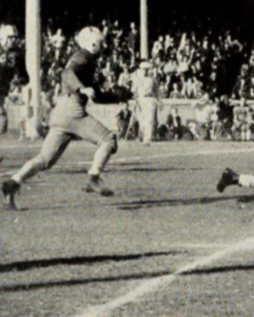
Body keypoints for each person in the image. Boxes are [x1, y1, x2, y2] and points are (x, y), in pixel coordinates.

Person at [3, 27, 121, 209]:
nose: (103, 46)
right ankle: (94, 178)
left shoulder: (87, 61)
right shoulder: (83, 56)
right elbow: (66, 74)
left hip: (61, 111)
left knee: (44, 160)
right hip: (72, 109)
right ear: (94, 43)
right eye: (101, 42)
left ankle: (13, 183)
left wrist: (119, 97)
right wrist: (81, 89)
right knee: (108, 140)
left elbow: (97, 96)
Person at [0, 25, 27, 137]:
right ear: (3, 37)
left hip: (2, 90)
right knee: (1, 118)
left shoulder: (17, 54)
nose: (14, 40)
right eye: (11, 37)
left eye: (15, 37)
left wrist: (17, 81)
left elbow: (25, 77)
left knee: (2, 124)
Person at [131, 61, 159, 144]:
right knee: (141, 119)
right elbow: (134, 91)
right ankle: (142, 135)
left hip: (150, 99)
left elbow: (156, 91)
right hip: (141, 99)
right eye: (143, 69)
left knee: (149, 119)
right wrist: (136, 100)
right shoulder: (137, 79)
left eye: (147, 69)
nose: (145, 71)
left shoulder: (152, 80)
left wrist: (156, 99)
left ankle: (147, 137)